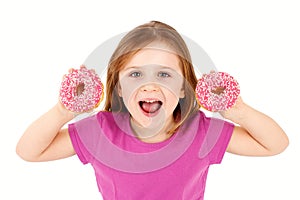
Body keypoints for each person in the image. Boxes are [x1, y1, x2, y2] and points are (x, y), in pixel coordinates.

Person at [16, 21, 289, 200]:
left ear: (184, 88)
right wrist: (64, 111)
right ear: (119, 88)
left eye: (164, 74)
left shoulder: (201, 130)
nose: (150, 85)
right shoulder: (100, 130)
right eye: (135, 74)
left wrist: (238, 111)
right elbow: (29, 152)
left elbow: (274, 144)